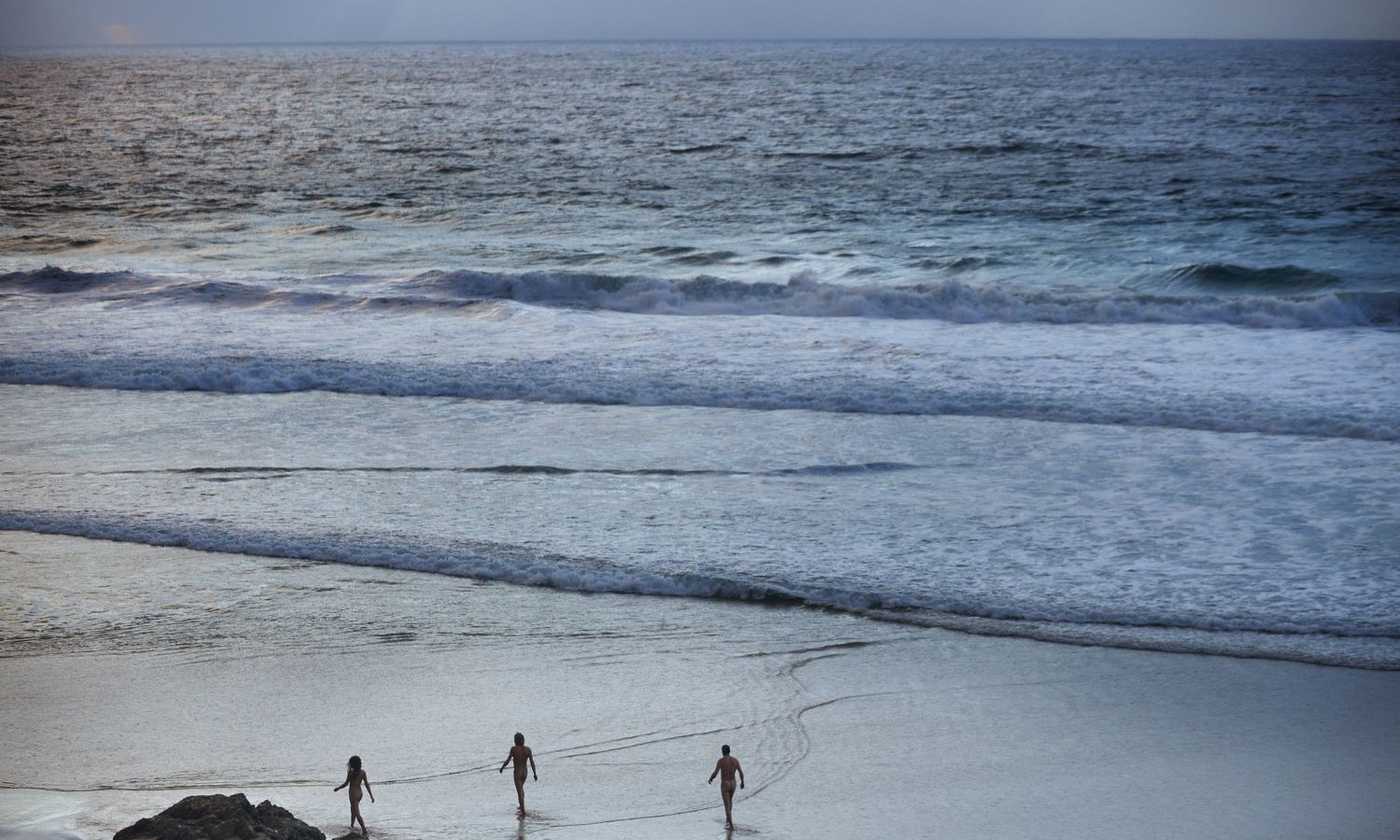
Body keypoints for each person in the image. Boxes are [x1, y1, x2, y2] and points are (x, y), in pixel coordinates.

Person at [332, 754, 374, 837]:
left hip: (353, 794)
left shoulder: (350, 772)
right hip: (359, 793)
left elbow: (346, 784)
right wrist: (371, 796)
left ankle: (364, 829)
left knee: (357, 813)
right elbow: (366, 784)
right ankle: (352, 825)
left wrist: (338, 788)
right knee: (352, 810)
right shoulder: (363, 772)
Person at [498, 732, 538, 816]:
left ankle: (523, 812)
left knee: (519, 792)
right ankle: (521, 806)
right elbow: (532, 762)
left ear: (515, 741)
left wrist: (502, 767)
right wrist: (535, 773)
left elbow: (508, 760)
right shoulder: (528, 749)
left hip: (517, 773)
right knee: (521, 789)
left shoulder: (514, 749)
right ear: (523, 740)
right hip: (525, 773)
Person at [707, 744, 745, 830]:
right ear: (729, 751)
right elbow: (741, 772)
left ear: (722, 751)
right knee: (730, 802)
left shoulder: (721, 761)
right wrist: (742, 782)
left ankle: (730, 825)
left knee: (726, 805)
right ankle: (728, 821)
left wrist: (710, 779)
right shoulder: (735, 760)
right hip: (733, 783)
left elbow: (715, 772)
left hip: (725, 784)